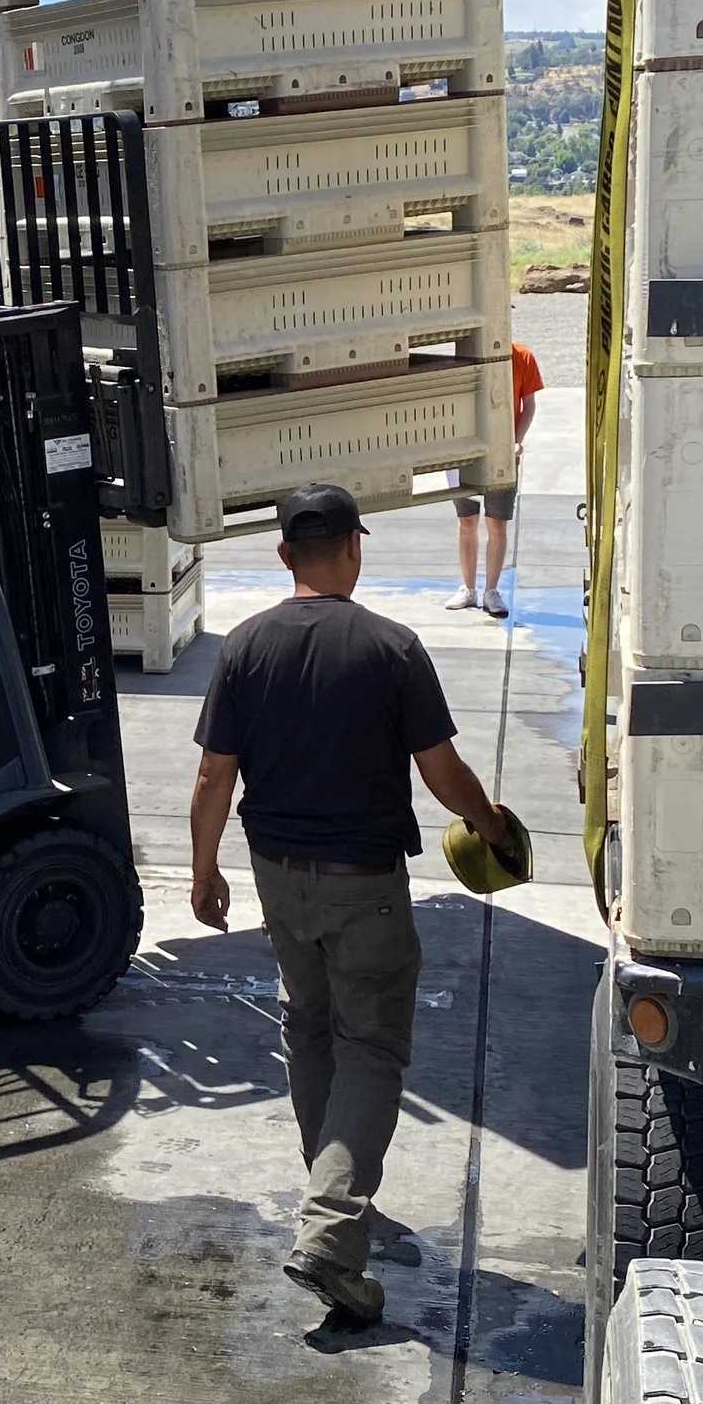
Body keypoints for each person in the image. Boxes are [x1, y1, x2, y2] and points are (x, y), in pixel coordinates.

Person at [187, 482, 516, 1329]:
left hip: (277, 875)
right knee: (370, 1044)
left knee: (307, 1023)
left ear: (284, 554)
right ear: (354, 548)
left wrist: (204, 870)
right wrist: (491, 825)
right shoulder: (390, 647)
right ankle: (331, 1231)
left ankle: (327, 1185)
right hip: (363, 883)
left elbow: (214, 775)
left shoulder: (244, 645)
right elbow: (442, 773)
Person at [448, 340, 543, 618]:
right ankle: (468, 588)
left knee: (496, 522)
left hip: (504, 451)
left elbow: (529, 404)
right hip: (466, 449)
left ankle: (491, 590)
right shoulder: (467, 351)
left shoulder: (523, 356)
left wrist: (518, 439)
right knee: (467, 520)